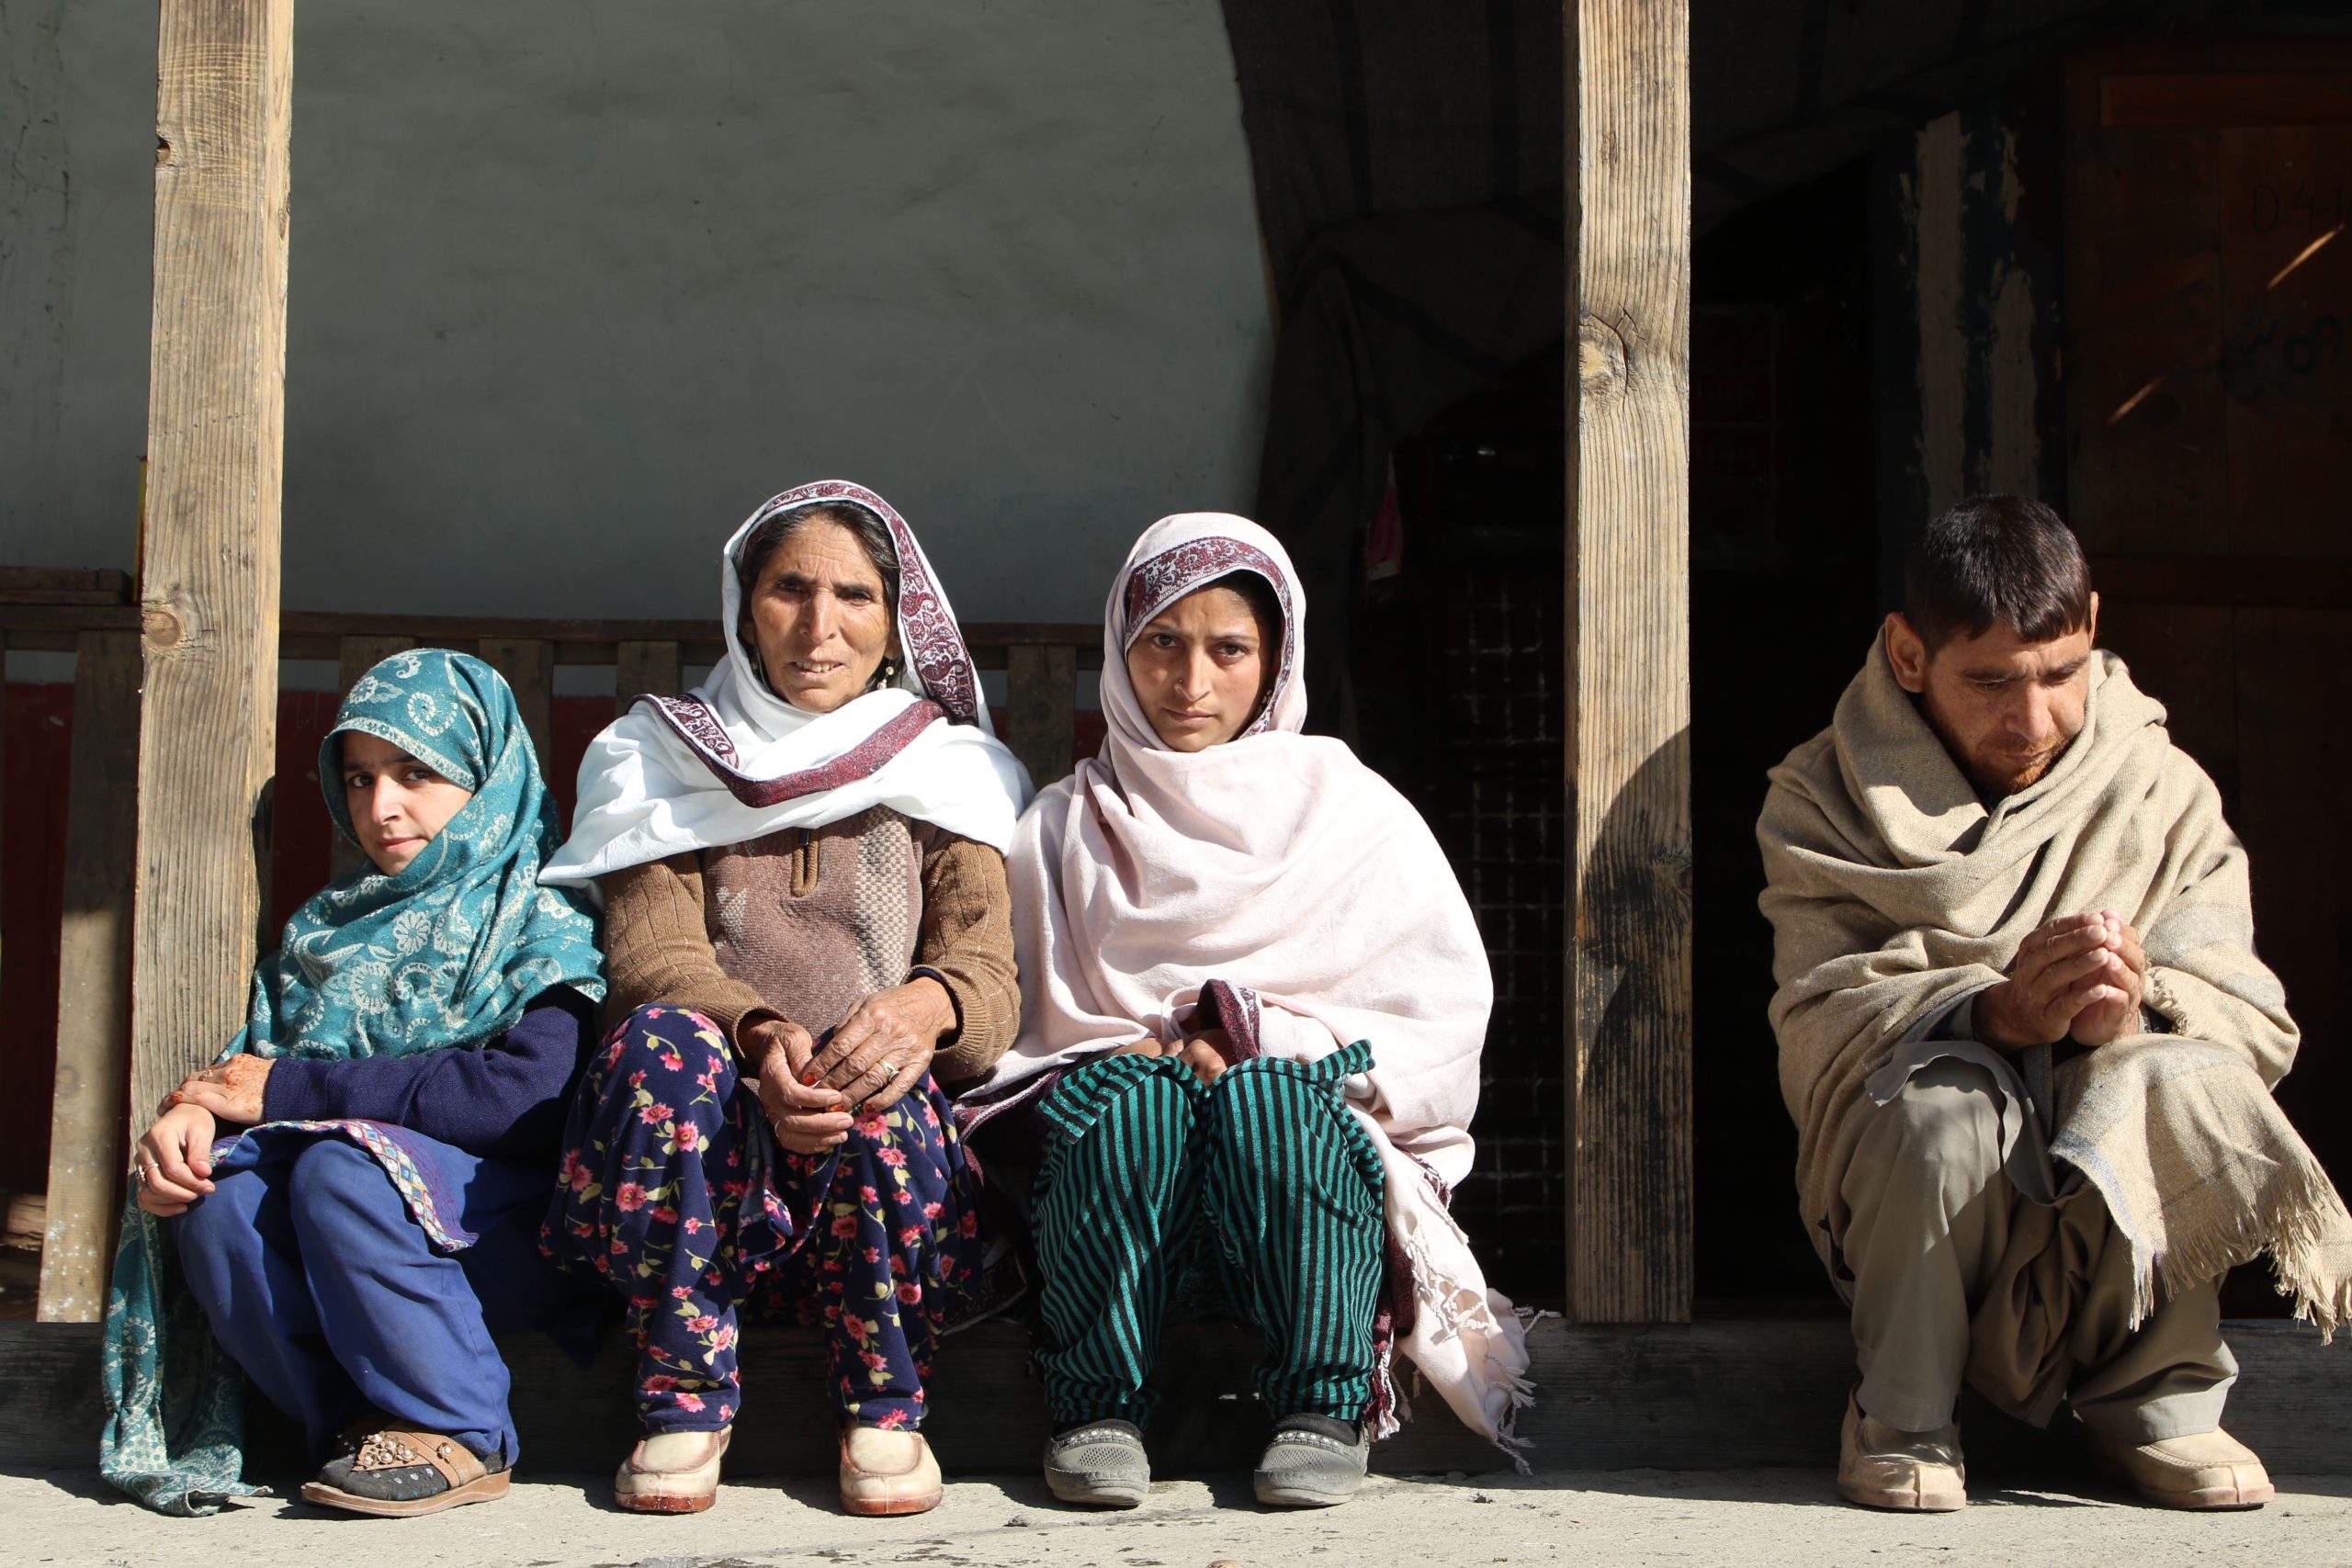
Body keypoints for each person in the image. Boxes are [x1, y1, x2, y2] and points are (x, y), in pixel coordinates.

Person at [1758, 495, 2351, 1514]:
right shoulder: (1820, 800)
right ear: (1908, 656)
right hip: (1926, 1198)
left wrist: (2129, 1009)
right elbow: (1822, 1027)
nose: (2031, 721)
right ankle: (1901, 1416)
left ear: (2091, 635)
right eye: (1989, 681)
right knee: (1942, 1112)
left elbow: (2249, 1016)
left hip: (2103, 1202)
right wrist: (1995, 1019)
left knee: (2185, 1077)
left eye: (2060, 675)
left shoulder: (2159, 788)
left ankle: (2162, 1407)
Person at [966, 513, 1530, 1512]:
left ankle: (1321, 1403)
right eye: (1161, 645)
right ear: (1120, 649)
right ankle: (1096, 1403)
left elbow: (1432, 1022)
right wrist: (1152, 1060)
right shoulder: (1063, 825)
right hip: (1126, 1222)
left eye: (1229, 650)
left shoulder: (1351, 812)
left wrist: (1252, 1044)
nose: (1190, 684)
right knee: (1126, 1100)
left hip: (1297, 1206)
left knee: (1274, 1102)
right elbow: (1012, 1039)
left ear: (1275, 660)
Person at [539, 479, 1029, 1517]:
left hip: (866, 1167)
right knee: (663, 1046)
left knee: (886, 1088)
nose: (819, 626)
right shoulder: (655, 757)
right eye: (788, 591)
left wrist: (920, 1011)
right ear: (742, 605)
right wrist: (761, 1043)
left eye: (854, 596)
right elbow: (648, 959)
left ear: (896, 620)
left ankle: (884, 1407)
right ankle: (681, 1399)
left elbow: (986, 974)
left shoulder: (946, 769)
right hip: (697, 1155)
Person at [99, 649, 606, 1517]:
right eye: (360, 776)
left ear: (486, 775)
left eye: (417, 771)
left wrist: (294, 1095)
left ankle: (458, 1427)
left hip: (510, 1233)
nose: (383, 807)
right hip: (354, 1234)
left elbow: (520, 1099)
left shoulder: (543, 918)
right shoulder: (326, 934)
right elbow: (245, 1079)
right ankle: (356, 1423)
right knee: (219, 1196)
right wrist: (189, 1120)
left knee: (346, 1168)